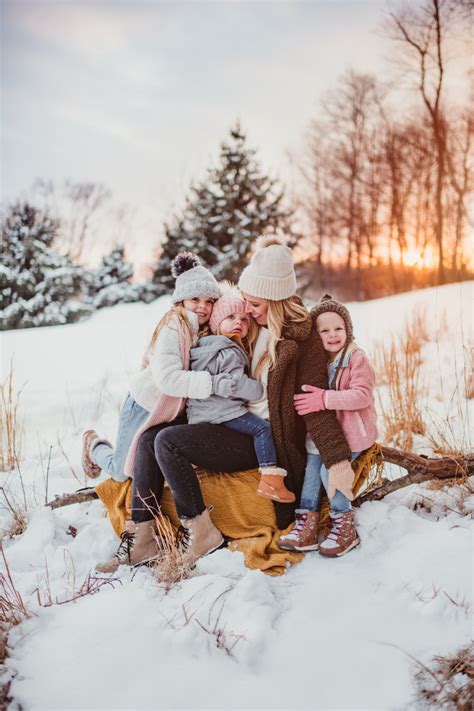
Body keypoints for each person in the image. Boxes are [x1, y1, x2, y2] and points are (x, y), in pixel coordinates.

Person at [119, 235, 354, 569]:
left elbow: (314, 405)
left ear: (275, 301)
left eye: (254, 305)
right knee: (149, 437)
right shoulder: (250, 329)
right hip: (226, 419)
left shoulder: (301, 343)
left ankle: (200, 531)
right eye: (245, 302)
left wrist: (338, 459)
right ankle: (141, 537)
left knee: (169, 442)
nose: (247, 312)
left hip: (260, 437)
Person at [87, 253, 234, 573]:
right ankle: (94, 446)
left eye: (209, 301)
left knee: (151, 449)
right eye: (195, 299)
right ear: (181, 300)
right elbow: (169, 378)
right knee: (120, 471)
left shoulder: (199, 329)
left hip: (166, 411)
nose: (203, 307)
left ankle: (143, 542)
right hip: (141, 406)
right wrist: (212, 383)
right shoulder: (173, 324)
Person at [279, 294, 377, 557]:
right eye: (325, 330)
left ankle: (344, 523)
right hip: (321, 435)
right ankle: (307, 526)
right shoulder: (316, 361)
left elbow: (362, 395)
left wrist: (324, 399)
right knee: (310, 475)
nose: (333, 335)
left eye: (339, 329)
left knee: (328, 473)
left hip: (353, 433)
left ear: (348, 330)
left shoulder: (356, 358)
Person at [187, 285, 295, 503]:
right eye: (231, 317)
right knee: (262, 429)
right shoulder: (228, 350)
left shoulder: (202, 347)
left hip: (199, 414)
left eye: (244, 319)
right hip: (222, 412)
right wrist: (259, 390)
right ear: (217, 323)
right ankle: (270, 481)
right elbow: (236, 385)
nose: (239, 322)